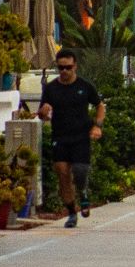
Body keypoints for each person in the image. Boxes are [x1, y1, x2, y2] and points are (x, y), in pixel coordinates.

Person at [38, 49, 106, 228]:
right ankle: (71, 212)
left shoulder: (84, 86)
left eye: (68, 67)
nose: (64, 71)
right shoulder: (51, 88)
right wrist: (43, 113)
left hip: (81, 136)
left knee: (80, 171)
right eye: (61, 68)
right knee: (62, 171)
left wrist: (97, 126)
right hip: (60, 136)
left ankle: (83, 192)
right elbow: (43, 114)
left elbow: (100, 106)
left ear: (75, 66)